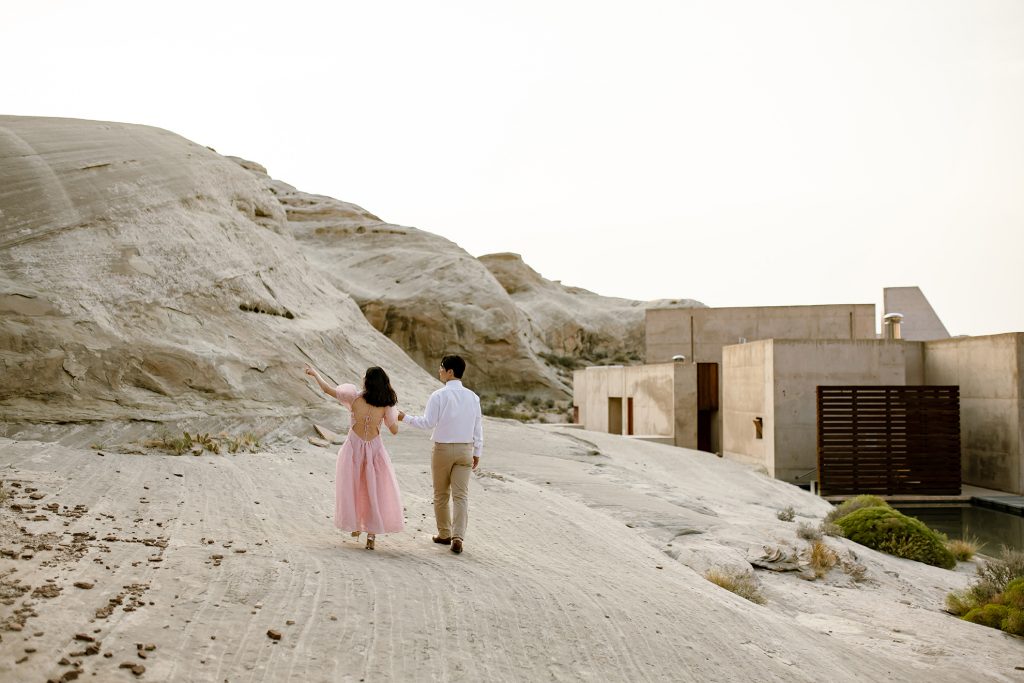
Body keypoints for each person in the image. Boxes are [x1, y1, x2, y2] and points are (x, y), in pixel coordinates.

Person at [305, 364, 404, 550]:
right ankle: (371, 536)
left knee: (353, 488)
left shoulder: (354, 397)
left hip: (353, 448)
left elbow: (327, 389)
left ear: (367, 381)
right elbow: (394, 430)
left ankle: (357, 524)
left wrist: (315, 374)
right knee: (373, 490)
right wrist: (394, 413)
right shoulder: (386, 404)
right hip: (374, 450)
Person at [398, 354, 482, 555]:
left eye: (441, 367)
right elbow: (478, 426)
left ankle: (444, 534)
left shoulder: (438, 395)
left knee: (441, 493)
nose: (439, 370)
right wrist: (477, 451)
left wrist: (404, 417)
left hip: (443, 450)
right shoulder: (473, 397)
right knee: (461, 496)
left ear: (450, 371)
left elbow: (427, 423)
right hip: (465, 450)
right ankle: (458, 536)